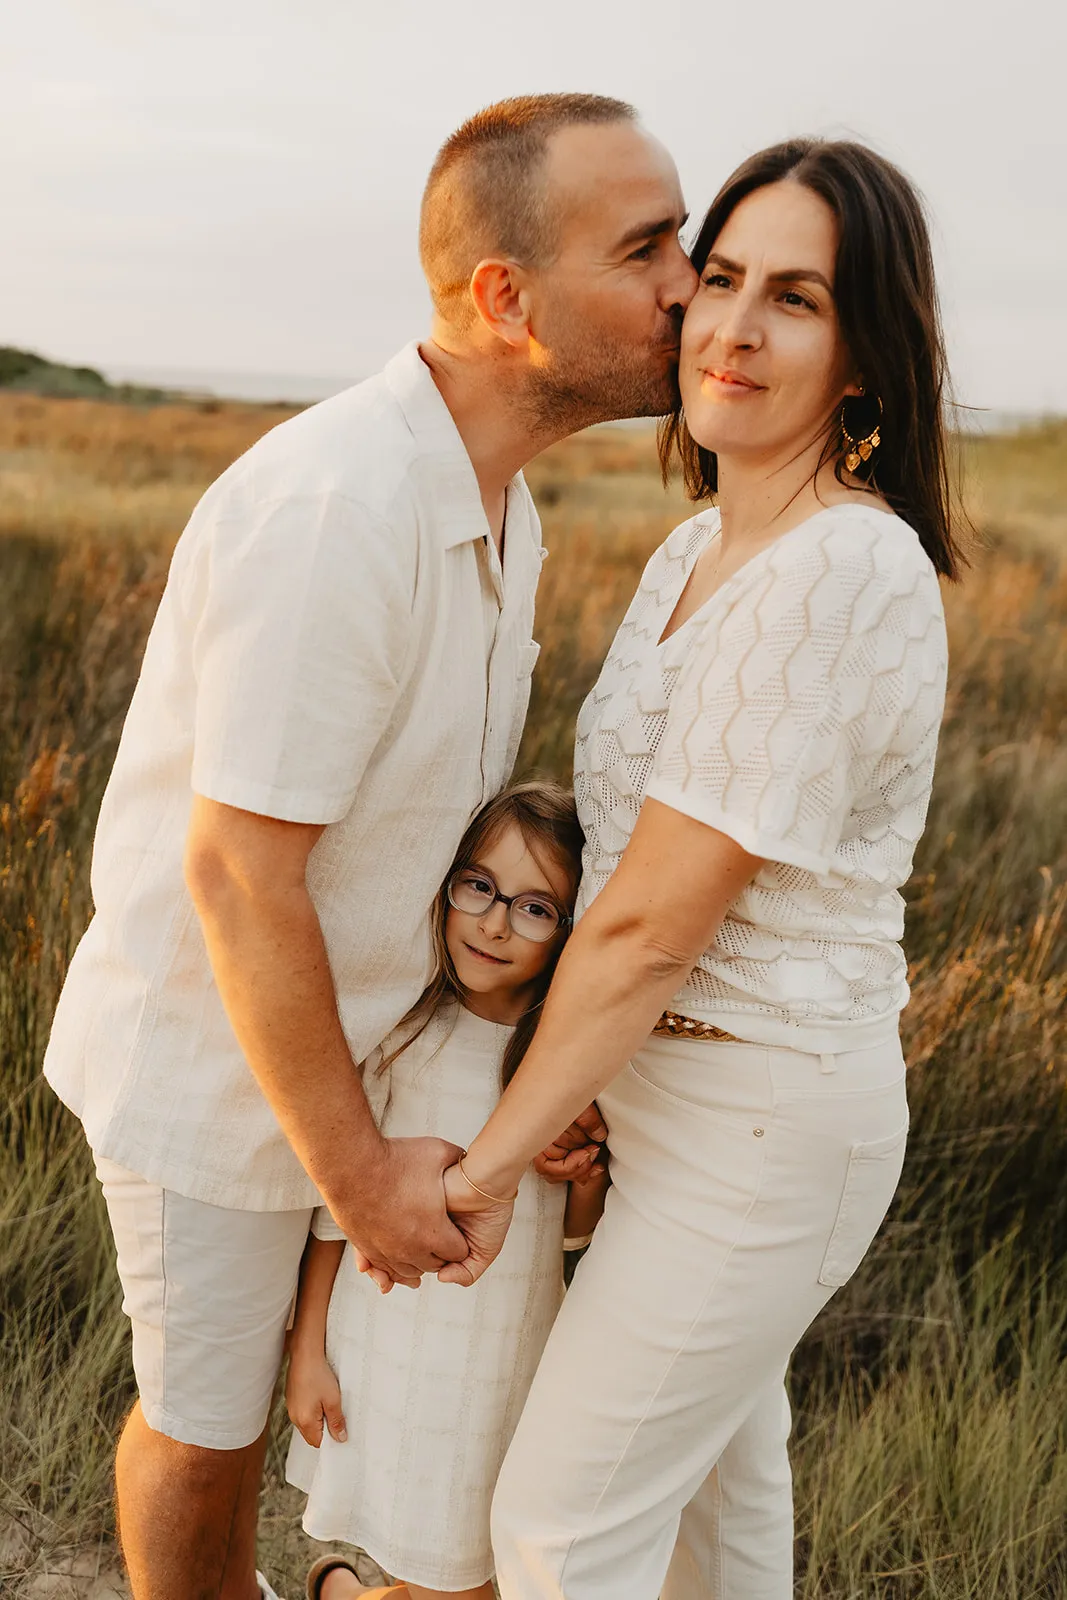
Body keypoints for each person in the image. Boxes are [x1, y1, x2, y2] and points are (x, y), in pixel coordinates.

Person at [40, 94, 695, 1600]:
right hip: (215, 1072)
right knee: (204, 1435)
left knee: (342, 1431)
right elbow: (236, 875)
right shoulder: (341, 504)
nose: (686, 281)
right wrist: (358, 1175)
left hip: (369, 1064)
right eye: (647, 245)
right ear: (505, 299)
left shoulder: (495, 504)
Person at [424, 139, 963, 1598]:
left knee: (561, 1529)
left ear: (862, 359)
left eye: (794, 297)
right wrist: (585, 1085)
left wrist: (478, 1167)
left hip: (761, 1126)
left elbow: (656, 921)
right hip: (660, 1111)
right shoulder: (691, 552)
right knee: (715, 1530)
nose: (729, 325)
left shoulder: (840, 569)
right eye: (717, 278)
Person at [284, 782, 609, 1600]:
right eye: (478, 886)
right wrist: (308, 1347)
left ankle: (343, 1595)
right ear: (448, 882)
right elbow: (336, 1212)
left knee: (495, 1577)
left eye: (536, 908)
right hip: (400, 1354)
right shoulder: (405, 1036)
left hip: (511, 1365)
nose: (495, 922)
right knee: (451, 1578)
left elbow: (577, 1245)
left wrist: (580, 1185)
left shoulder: (567, 1067)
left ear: (569, 932)